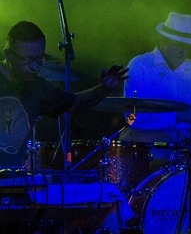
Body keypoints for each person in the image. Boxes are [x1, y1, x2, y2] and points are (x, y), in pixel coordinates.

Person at [0, 21, 128, 170]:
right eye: (25, 59)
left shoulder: (37, 87)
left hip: (11, 176)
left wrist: (105, 88)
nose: (34, 67)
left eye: (39, 59)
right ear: (8, 54)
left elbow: (76, 103)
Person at [120, 12, 191, 144]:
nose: (184, 52)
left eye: (188, 47)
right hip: (146, 146)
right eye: (179, 45)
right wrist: (180, 116)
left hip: (182, 147)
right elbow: (132, 118)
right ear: (163, 40)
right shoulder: (140, 65)